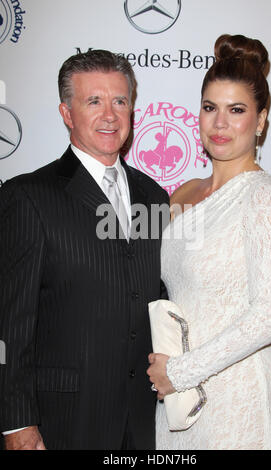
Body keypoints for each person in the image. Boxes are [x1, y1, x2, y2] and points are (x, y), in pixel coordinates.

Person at [0, 50, 169, 450]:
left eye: (120, 101)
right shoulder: (29, 197)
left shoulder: (154, 196)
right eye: (94, 101)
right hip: (62, 422)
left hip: (144, 421)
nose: (110, 115)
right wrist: (16, 423)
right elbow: (9, 324)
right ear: (66, 113)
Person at [147, 34, 271, 450]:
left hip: (244, 402)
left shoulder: (264, 196)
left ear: (261, 120)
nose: (219, 124)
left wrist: (180, 372)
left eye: (237, 110)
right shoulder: (182, 194)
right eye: (210, 108)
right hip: (180, 401)